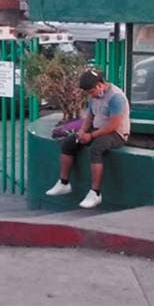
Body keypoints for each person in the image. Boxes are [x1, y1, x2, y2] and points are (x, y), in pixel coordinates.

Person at [46, 69, 131, 209]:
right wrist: (82, 132)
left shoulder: (116, 97)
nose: (91, 95)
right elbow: (89, 117)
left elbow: (113, 125)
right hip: (97, 129)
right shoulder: (94, 97)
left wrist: (91, 136)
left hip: (117, 133)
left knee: (97, 148)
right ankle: (64, 183)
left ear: (100, 85)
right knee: (68, 143)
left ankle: (95, 193)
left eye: (92, 91)